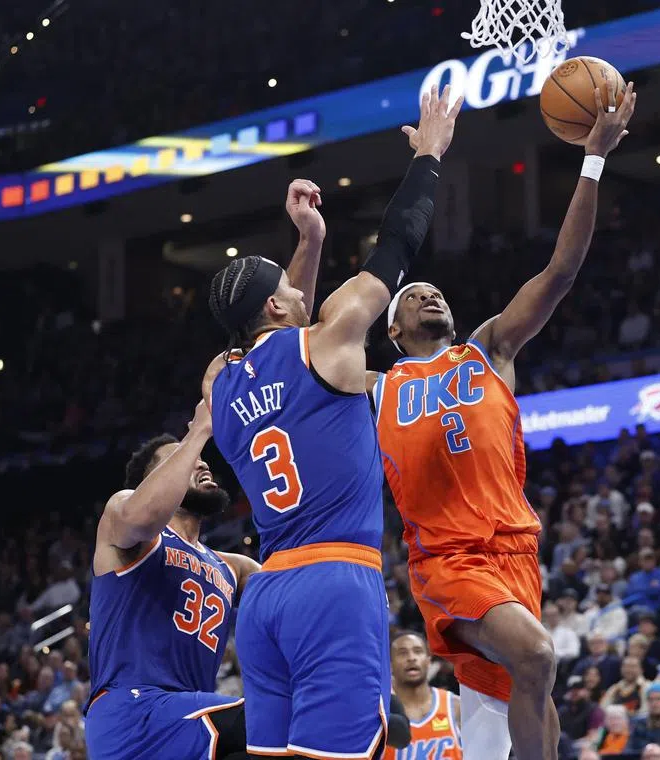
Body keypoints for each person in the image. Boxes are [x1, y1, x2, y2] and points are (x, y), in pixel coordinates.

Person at [371, 81, 637, 760]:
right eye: (410, 295)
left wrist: (594, 159)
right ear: (394, 331)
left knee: (532, 705)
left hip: (515, 551)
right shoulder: (380, 386)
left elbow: (561, 270)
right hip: (448, 561)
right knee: (539, 656)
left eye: (434, 288)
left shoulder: (488, 349)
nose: (427, 290)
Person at [205, 85, 462, 760]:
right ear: (284, 310)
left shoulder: (220, 386)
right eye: (294, 291)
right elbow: (398, 244)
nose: (303, 292)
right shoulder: (327, 337)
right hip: (334, 583)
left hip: (265, 599)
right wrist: (430, 155)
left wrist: (309, 240)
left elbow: (282, 335)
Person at [84, 403, 261, 760]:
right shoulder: (128, 520)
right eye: (183, 457)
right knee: (271, 722)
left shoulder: (233, 567)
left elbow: (293, 596)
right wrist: (198, 432)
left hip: (188, 728)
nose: (201, 461)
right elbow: (142, 514)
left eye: (200, 455)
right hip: (132, 713)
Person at [385, 632, 460, 760]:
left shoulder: (455, 705)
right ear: (390, 665)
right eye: (403, 653)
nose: (411, 658)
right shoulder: (380, 711)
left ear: (428, 660)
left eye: (418, 651)